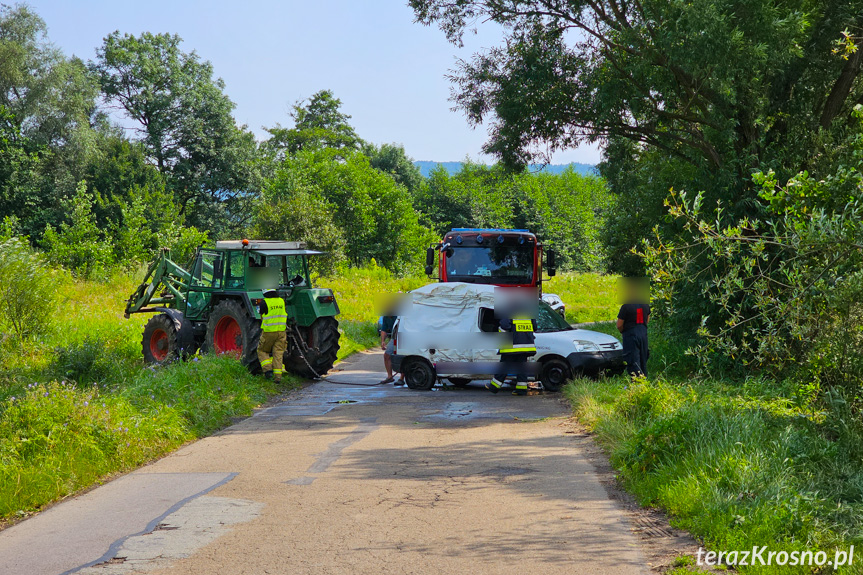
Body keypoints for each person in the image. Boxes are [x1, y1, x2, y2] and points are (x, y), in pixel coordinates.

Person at [488, 313, 537, 396]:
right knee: (522, 368)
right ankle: (521, 390)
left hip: (512, 344)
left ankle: (494, 387)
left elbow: (505, 325)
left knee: (504, 366)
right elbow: (535, 327)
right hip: (526, 345)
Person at [617, 279, 650, 378]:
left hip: (631, 334)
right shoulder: (645, 305)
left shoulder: (626, 306)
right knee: (643, 358)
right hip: (643, 333)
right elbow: (647, 320)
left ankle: (637, 382)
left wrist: (623, 331)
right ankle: (644, 379)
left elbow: (619, 324)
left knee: (632, 359)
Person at [257, 287, 288, 383]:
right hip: (281, 332)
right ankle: (278, 377)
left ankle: (268, 371)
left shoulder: (264, 302)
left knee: (262, 350)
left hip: (269, 332)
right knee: (278, 353)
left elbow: (261, 314)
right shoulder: (281, 301)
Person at [378, 312, 403, 385]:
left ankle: (402, 378)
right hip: (394, 337)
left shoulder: (399, 316)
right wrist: (382, 341)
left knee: (403, 356)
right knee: (387, 355)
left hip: (403, 336)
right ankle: (390, 376)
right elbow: (384, 330)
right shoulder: (385, 317)